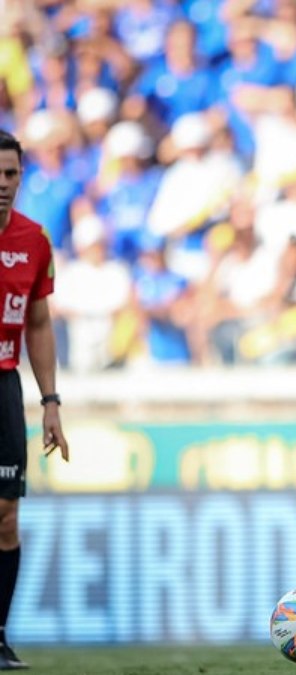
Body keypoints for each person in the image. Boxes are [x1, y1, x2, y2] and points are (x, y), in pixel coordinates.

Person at [0, 129, 70, 670]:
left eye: (11, 174)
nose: (3, 185)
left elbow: (39, 324)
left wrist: (50, 400)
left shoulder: (35, 239)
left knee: (5, 516)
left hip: (4, 387)